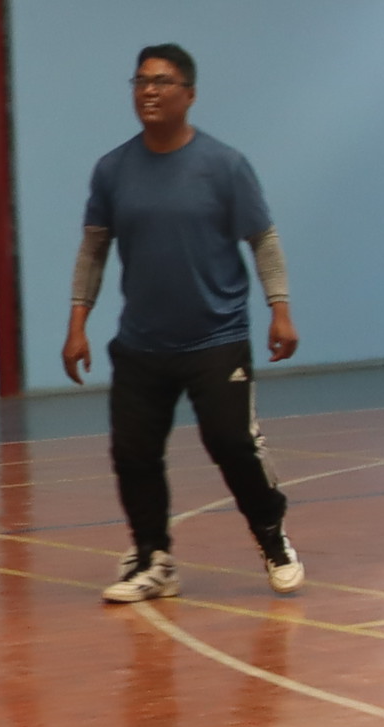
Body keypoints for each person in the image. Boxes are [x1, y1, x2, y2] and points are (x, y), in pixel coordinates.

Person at [58, 42, 301, 603]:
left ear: (188, 94)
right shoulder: (113, 170)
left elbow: (262, 240)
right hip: (141, 344)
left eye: (162, 82)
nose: (149, 91)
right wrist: (77, 324)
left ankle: (272, 536)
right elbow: (93, 250)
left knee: (232, 443)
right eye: (141, 81)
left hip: (216, 337)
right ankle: (153, 559)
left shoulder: (224, 165)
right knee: (133, 454)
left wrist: (280, 310)